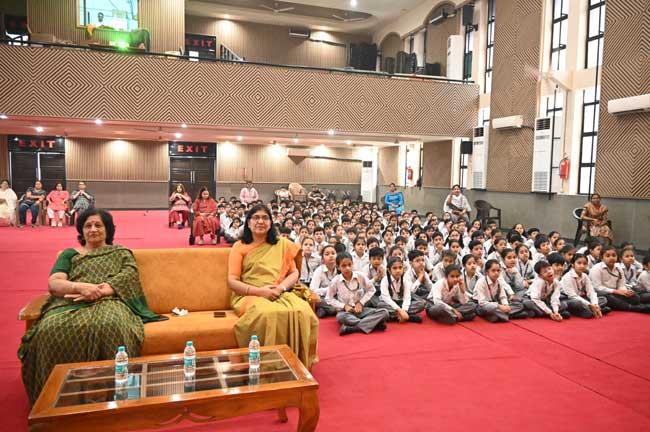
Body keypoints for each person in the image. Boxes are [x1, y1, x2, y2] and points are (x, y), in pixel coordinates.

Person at [18, 208, 166, 404]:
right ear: (81, 230)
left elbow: (128, 276)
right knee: (49, 329)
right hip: (70, 303)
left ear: (108, 229)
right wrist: (79, 287)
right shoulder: (70, 254)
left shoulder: (120, 253)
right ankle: (55, 399)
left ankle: (116, 396)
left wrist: (100, 291)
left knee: (112, 325)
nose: (93, 229)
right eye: (88, 226)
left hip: (110, 302)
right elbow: (54, 282)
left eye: (98, 225)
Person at [227, 204, 318, 368]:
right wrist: (260, 292)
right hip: (249, 294)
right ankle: (267, 367)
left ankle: (297, 365)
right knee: (268, 314)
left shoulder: (281, 244)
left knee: (303, 311)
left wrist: (280, 288)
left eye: (265, 218)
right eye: (256, 218)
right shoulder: (239, 247)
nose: (260, 221)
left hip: (279, 292)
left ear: (271, 223)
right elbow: (232, 281)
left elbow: (294, 273)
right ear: (248, 223)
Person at [326, 252, 389, 336]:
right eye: (343, 266)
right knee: (341, 317)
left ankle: (353, 328)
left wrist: (361, 303)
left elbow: (371, 289)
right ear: (338, 267)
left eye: (349, 265)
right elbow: (329, 298)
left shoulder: (360, 276)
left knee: (384, 312)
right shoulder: (336, 281)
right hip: (346, 312)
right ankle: (374, 324)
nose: (347, 268)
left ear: (353, 264)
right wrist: (344, 306)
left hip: (361, 310)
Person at [590, 246, 650, 313]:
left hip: (615, 292)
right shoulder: (596, 268)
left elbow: (621, 284)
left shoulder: (618, 268)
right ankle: (633, 308)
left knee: (635, 297)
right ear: (602, 258)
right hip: (601, 294)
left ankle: (627, 305)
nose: (611, 258)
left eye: (614, 255)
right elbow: (597, 288)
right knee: (610, 298)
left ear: (617, 257)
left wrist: (624, 291)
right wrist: (615, 291)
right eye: (608, 256)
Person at [377, 257, 424, 323]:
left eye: (400, 267)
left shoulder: (405, 280)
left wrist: (404, 310)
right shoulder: (385, 280)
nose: (398, 270)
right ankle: (408, 317)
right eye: (394, 268)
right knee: (380, 305)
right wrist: (399, 310)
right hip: (389, 304)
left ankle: (395, 317)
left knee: (421, 304)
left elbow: (407, 298)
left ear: (403, 269)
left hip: (401, 303)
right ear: (389, 270)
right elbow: (386, 298)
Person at [561, 254, 609, 318]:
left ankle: (593, 309)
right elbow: (572, 296)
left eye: (584, 264)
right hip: (569, 299)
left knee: (603, 299)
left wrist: (595, 304)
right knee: (577, 303)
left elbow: (591, 292)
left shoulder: (585, 276)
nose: (582, 266)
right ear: (573, 264)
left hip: (581, 298)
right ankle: (593, 310)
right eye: (579, 263)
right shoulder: (567, 277)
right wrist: (589, 304)